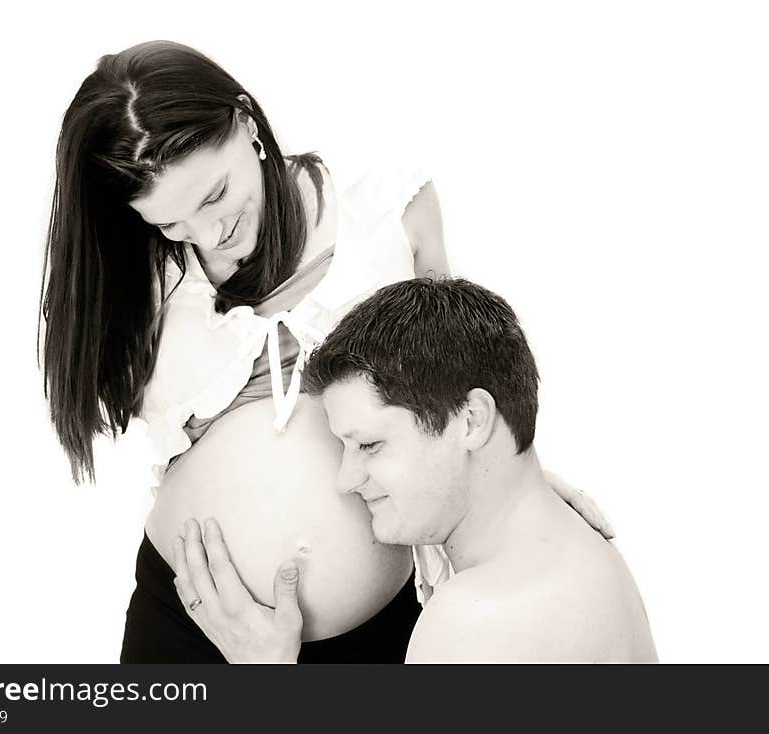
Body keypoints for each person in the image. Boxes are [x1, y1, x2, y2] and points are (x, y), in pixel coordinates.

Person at [41, 40, 610, 663]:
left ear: (246, 124)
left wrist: (518, 482)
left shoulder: (383, 210)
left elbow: (459, 376)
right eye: (171, 226)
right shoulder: (140, 287)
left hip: (377, 626)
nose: (209, 237)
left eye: (213, 196)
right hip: (195, 620)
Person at [171, 278, 657, 662]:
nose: (346, 479)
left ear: (472, 421)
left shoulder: (474, 621)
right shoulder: (573, 542)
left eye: (371, 444)